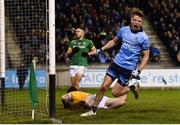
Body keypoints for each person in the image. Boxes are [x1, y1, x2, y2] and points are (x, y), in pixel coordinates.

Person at [81, 8, 150, 117]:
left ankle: (132, 87)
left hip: (128, 69)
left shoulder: (144, 38)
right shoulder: (123, 30)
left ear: (141, 22)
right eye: (135, 20)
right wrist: (100, 50)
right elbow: (113, 42)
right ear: (131, 20)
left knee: (115, 93)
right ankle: (93, 110)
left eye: (139, 21)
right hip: (116, 64)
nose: (137, 22)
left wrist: (139, 71)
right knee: (103, 86)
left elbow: (146, 56)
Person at [66, 26, 97, 90]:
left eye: (78, 31)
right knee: (73, 85)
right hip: (73, 64)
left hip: (82, 64)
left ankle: (80, 97)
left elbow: (94, 51)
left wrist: (88, 53)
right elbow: (68, 53)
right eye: (76, 31)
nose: (76, 33)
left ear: (83, 33)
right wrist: (72, 51)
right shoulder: (73, 42)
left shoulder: (88, 42)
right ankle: (76, 98)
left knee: (76, 82)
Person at [61, 87, 127, 110]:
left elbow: (64, 97)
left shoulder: (74, 93)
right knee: (122, 101)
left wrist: (65, 104)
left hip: (94, 98)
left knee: (87, 103)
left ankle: (87, 104)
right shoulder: (77, 98)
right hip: (97, 101)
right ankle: (129, 87)